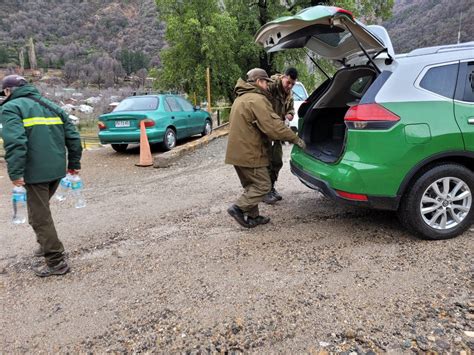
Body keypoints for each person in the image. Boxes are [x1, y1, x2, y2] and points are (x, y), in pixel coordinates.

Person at [0, 75, 82, 277]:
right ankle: (44, 245)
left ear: (8, 91)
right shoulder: (51, 105)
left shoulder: (11, 108)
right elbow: (72, 136)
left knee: (39, 218)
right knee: (41, 212)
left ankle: (56, 262)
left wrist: (16, 172)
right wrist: (74, 164)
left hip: (35, 173)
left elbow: (15, 142)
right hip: (56, 171)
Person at [225, 68, 305, 228]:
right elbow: (273, 126)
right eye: (265, 82)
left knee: (251, 186)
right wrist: (296, 139)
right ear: (259, 82)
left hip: (237, 154)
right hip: (250, 154)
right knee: (263, 186)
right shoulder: (257, 100)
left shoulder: (241, 98)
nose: (267, 86)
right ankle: (238, 208)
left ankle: (253, 217)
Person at [264, 67, 298, 205]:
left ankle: (271, 188)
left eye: (293, 84)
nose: (289, 86)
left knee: (277, 160)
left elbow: (291, 109)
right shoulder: (270, 86)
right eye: (288, 82)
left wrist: (290, 114)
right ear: (283, 77)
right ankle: (264, 192)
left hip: (277, 130)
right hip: (265, 129)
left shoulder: (289, 93)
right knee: (264, 161)